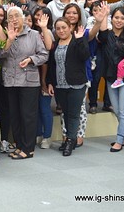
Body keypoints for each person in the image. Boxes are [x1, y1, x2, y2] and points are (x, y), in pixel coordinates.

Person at [0, 6, 49, 159]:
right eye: (10, 17)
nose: (13, 20)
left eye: (16, 16)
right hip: (11, 81)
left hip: (28, 81)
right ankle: (20, 146)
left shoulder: (33, 34)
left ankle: (28, 149)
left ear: (23, 18)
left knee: (28, 115)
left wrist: (31, 59)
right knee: (15, 115)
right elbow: (0, 54)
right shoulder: (5, 34)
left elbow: (44, 55)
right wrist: (10, 40)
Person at [47, 18, 90, 156]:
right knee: (65, 112)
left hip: (76, 84)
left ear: (70, 27)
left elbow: (84, 56)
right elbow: (51, 65)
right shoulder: (55, 44)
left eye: (64, 27)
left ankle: (71, 141)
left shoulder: (78, 40)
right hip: (60, 85)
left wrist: (79, 40)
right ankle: (68, 139)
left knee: (74, 114)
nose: (61, 30)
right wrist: (50, 82)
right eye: (58, 28)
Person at [98, 7, 124, 152]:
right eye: (116, 17)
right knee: (117, 110)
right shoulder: (107, 35)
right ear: (112, 18)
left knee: (123, 111)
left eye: (122, 18)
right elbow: (102, 32)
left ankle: (119, 139)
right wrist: (104, 15)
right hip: (110, 77)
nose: (119, 20)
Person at [32, 8, 54, 149]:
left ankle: (47, 136)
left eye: (42, 15)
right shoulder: (32, 32)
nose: (38, 18)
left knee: (45, 107)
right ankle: (38, 133)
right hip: (33, 75)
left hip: (47, 74)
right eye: (37, 15)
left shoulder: (48, 32)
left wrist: (45, 81)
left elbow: (47, 54)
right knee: (36, 107)